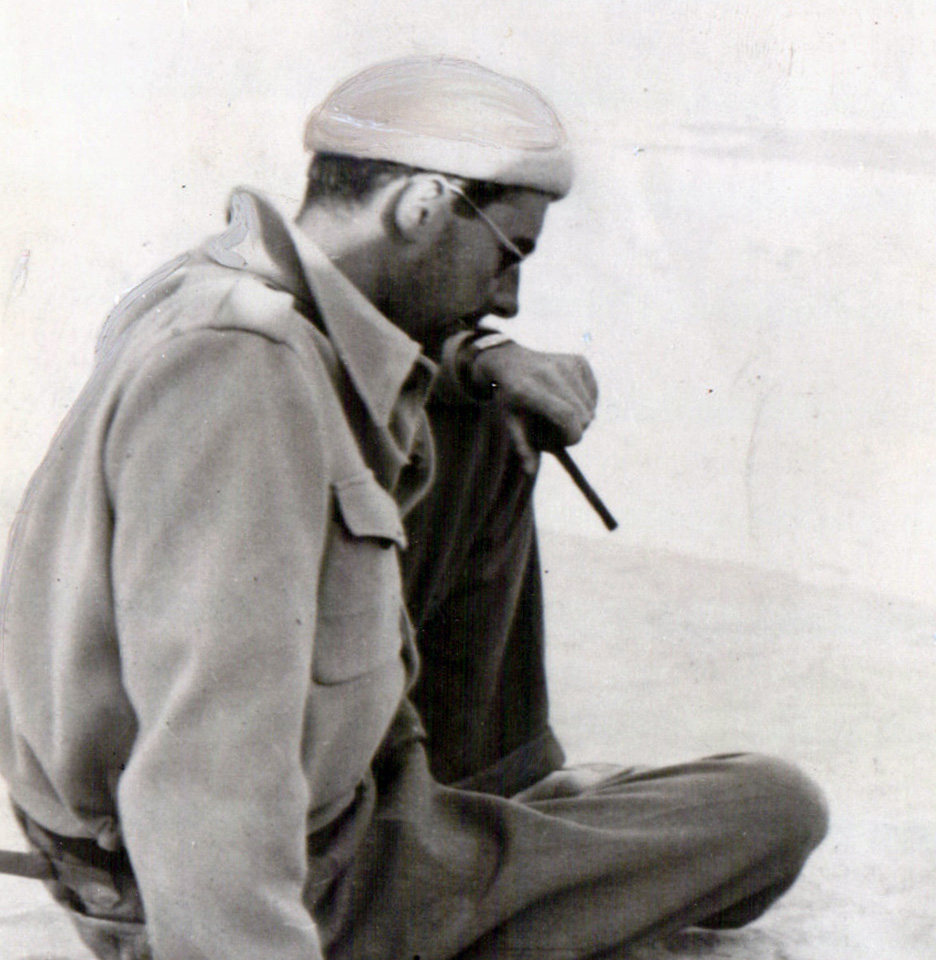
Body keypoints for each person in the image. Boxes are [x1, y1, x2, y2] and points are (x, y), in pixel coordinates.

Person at [0, 56, 826, 960]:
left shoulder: (226, 292)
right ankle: (476, 898)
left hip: (352, 806)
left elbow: (371, 348)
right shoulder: (243, 382)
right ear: (423, 206)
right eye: (508, 254)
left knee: (484, 423)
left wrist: (481, 360)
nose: (508, 294)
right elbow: (209, 759)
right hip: (287, 882)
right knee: (774, 809)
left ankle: (489, 822)